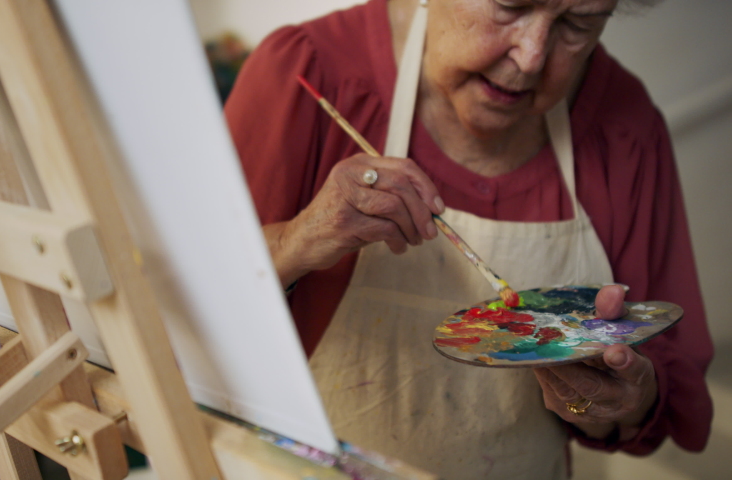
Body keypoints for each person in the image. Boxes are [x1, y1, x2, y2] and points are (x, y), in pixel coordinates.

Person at [224, 0, 713, 478]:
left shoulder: (625, 127)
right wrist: (296, 239)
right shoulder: (307, 69)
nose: (531, 56)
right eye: (510, 6)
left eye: (577, 24)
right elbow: (178, 315)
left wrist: (616, 397)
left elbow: (664, 381)